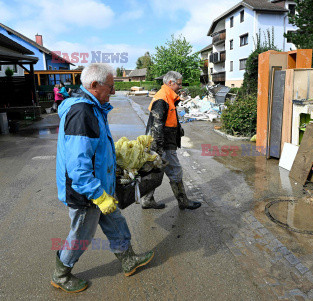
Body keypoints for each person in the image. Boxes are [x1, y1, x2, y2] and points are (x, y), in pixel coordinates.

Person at [52, 63, 154, 293]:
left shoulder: (94, 107)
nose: (114, 91)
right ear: (95, 85)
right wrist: (99, 195)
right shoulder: (82, 112)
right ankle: (61, 274)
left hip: (99, 186)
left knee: (116, 222)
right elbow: (78, 167)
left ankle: (128, 259)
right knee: (81, 235)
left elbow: (95, 150)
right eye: (111, 86)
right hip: (85, 191)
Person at [141, 71, 201, 210]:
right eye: (179, 84)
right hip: (164, 144)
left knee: (155, 171)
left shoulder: (167, 97)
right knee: (175, 170)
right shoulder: (162, 99)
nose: (180, 87)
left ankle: (147, 200)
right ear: (170, 83)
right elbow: (157, 127)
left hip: (163, 143)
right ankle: (183, 201)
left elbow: (166, 121)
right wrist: (158, 151)